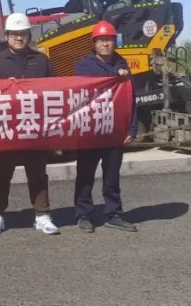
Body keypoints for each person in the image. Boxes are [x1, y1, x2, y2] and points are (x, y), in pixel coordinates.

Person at [0, 13, 59, 236]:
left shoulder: (41, 61)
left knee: (37, 173)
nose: (19, 38)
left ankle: (42, 215)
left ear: (28, 35)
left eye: (22, 33)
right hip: (6, 128)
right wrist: (3, 88)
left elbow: (55, 90)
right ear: (7, 35)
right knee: (1, 174)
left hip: (35, 128)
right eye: (14, 34)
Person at [73, 21, 139, 233]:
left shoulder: (123, 64)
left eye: (109, 40)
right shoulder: (84, 65)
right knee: (85, 175)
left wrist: (132, 129)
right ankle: (84, 214)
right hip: (90, 130)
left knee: (112, 177)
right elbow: (82, 91)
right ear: (94, 43)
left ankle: (113, 214)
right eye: (101, 41)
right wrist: (115, 77)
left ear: (114, 42)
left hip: (114, 130)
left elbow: (130, 98)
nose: (105, 44)